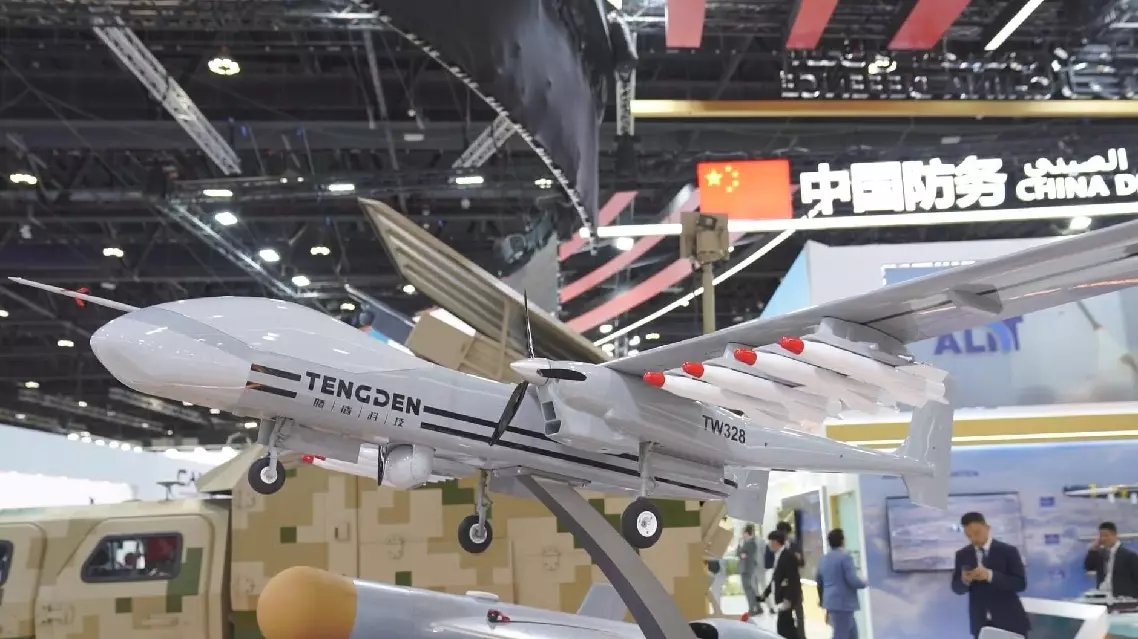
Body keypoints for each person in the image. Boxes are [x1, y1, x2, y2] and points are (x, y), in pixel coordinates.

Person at [951, 512, 1030, 639]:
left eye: (977, 533)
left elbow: (1020, 584)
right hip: (980, 624)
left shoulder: (1008, 551)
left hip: (1011, 622)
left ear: (987, 528)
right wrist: (965, 580)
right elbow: (956, 588)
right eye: (969, 535)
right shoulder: (962, 555)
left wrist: (990, 575)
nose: (973, 538)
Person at [815, 529, 867, 639]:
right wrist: (865, 582)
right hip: (843, 603)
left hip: (831, 602)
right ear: (842, 541)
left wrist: (822, 599)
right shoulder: (845, 557)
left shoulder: (823, 559)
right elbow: (852, 580)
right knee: (841, 635)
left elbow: (819, 580)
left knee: (852, 634)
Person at [760, 530, 803, 639]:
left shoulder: (788, 556)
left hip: (787, 599)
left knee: (784, 628)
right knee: (786, 627)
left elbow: (793, 579)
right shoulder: (778, 555)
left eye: (770, 541)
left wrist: (787, 598)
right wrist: (766, 593)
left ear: (776, 542)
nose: (769, 544)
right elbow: (776, 577)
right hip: (781, 598)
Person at [1084, 521, 1138, 598]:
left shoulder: (1129, 556)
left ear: (1115, 535)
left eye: (1106, 535)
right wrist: (1093, 550)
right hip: (1102, 596)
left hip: (1122, 599)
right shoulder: (1099, 554)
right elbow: (1089, 567)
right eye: (1101, 536)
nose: (1103, 538)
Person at [778, 521, 807, 637]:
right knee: (784, 615)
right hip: (783, 587)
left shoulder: (795, 545)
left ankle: (801, 636)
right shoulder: (776, 547)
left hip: (795, 585)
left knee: (799, 614)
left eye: (786, 533)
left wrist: (797, 559)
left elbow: (802, 562)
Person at [737, 524, 761, 615]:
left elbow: (742, 555)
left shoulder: (750, 543)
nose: (742, 534)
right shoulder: (747, 542)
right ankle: (758, 607)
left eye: (743, 532)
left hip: (747, 569)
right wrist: (740, 551)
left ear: (747, 533)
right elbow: (740, 554)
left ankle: (752, 608)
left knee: (748, 589)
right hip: (746, 568)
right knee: (750, 588)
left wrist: (740, 549)